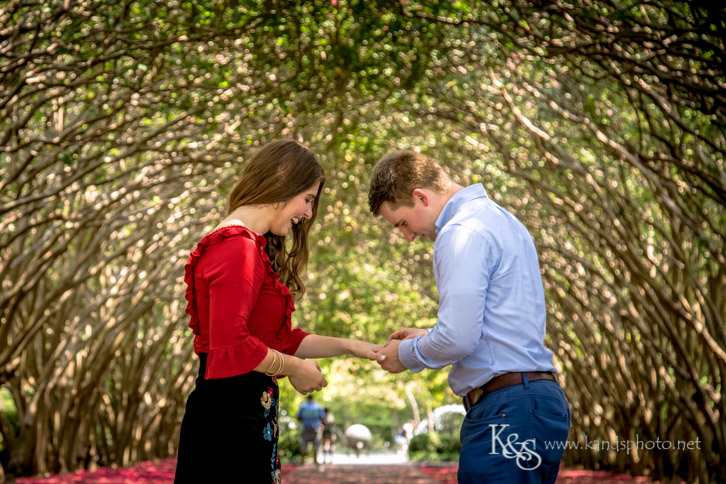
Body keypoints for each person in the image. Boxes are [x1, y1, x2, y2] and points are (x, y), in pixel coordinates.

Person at [174, 140, 381, 484]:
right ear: (282, 182)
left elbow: (278, 339)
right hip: (228, 424)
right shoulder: (237, 247)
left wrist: (352, 346)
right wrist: (296, 368)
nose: (309, 215)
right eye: (308, 199)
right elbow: (234, 345)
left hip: (244, 415)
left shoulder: (247, 246)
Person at [368, 150, 571, 484]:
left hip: (506, 409)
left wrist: (405, 355)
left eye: (402, 223)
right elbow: (497, 326)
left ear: (421, 197)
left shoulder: (461, 231)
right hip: (535, 401)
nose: (406, 237)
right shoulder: (503, 219)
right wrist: (426, 336)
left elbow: (458, 337)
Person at [295, 395, 325, 466]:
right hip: (316, 429)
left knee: (304, 444)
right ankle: (315, 460)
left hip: (305, 428)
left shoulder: (302, 406)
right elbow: (322, 417)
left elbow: (298, 418)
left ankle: (302, 460)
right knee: (316, 444)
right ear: (312, 399)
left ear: (307, 399)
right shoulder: (318, 406)